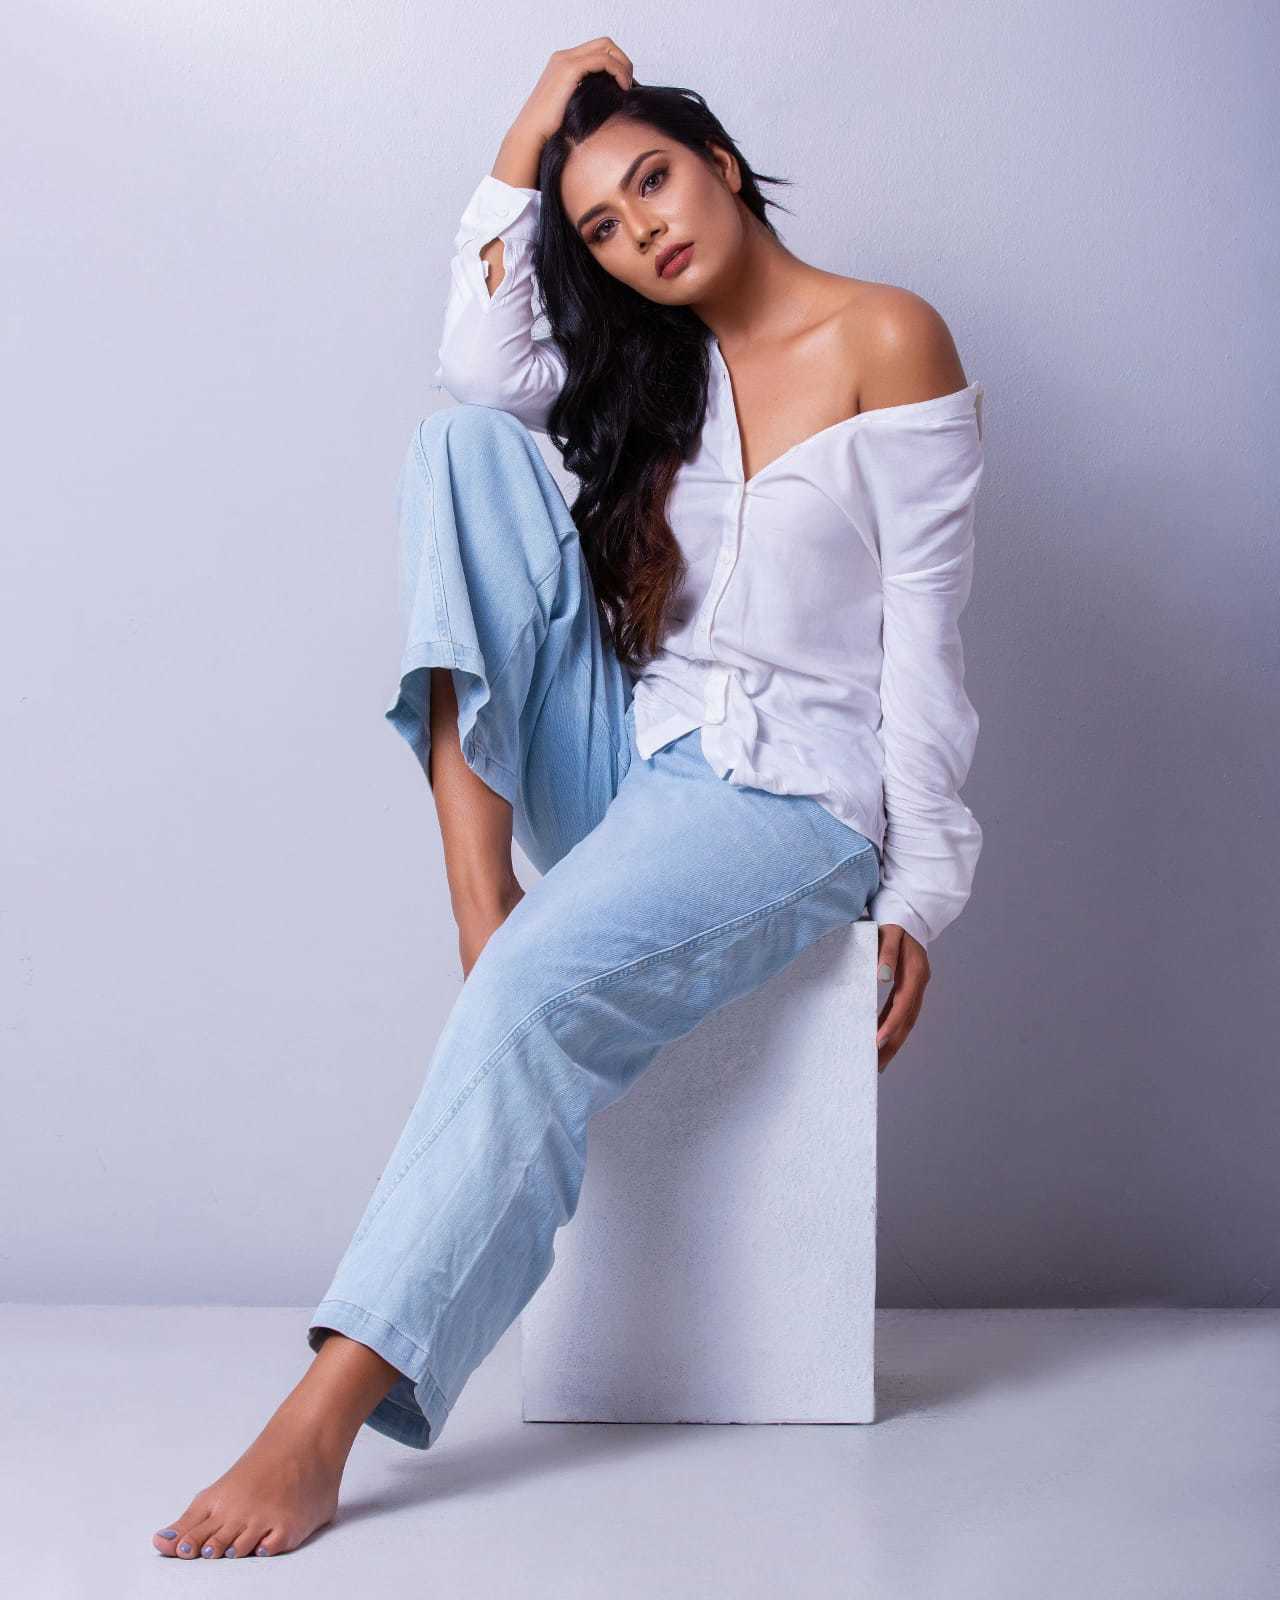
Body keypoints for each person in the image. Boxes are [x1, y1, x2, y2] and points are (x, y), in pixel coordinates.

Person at [151, 37, 985, 1560]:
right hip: (634, 758)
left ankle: (328, 1410)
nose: (639, 230)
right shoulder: (656, 370)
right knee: (459, 449)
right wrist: (532, 118)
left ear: (720, 165)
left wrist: (924, 889)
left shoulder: (888, 335)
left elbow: (927, 654)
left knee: (538, 1001)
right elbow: (478, 372)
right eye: (599, 223)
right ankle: (487, 906)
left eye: (652, 181)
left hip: (786, 798)